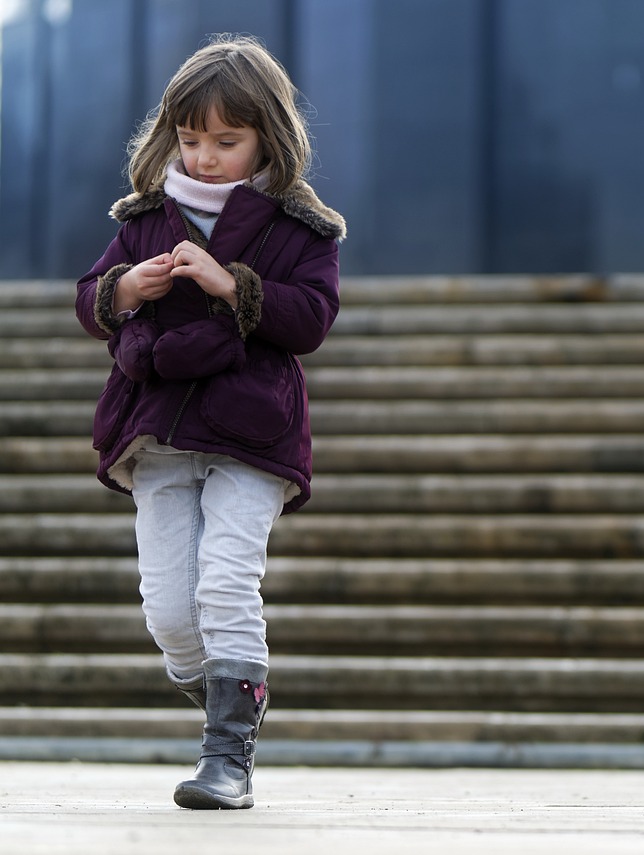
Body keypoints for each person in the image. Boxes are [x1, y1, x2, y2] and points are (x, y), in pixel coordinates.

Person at [74, 35, 345, 810]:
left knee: (226, 582)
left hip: (252, 432)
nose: (204, 157)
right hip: (155, 431)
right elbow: (92, 296)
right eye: (191, 140)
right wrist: (126, 288)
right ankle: (239, 696)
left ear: (268, 135)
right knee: (168, 610)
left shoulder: (302, 227)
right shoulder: (145, 216)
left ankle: (228, 756)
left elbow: (313, 318)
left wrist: (235, 286)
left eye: (226, 141)